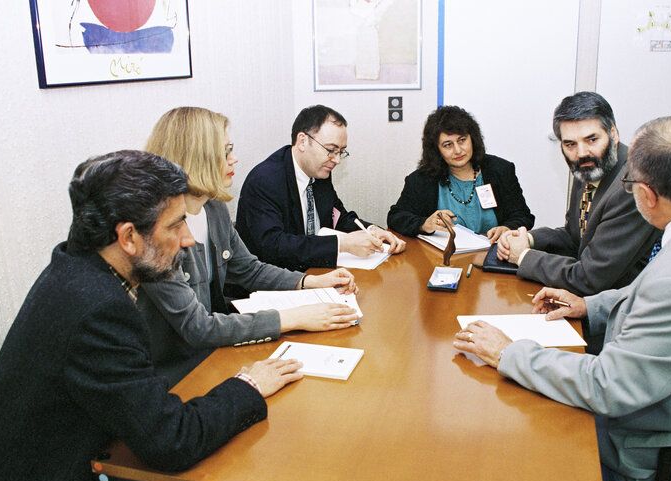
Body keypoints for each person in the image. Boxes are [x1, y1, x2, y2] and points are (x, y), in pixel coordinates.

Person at [0, 151, 304, 481]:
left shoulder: (76, 267)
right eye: (176, 225)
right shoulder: (99, 309)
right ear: (129, 237)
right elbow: (172, 442)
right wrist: (251, 384)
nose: (188, 240)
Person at [455, 115, 671, 481]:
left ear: (647, 196)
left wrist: (507, 353)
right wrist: (590, 305)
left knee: (515, 468)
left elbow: (608, 386)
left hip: (669, 459)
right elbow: (650, 288)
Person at [140, 107, 360, 385]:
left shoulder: (214, 208)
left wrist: (311, 282)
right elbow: (198, 328)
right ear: (195, 157)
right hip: (178, 372)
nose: (235, 159)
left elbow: (249, 270)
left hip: (216, 351)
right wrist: (293, 318)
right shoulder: (156, 230)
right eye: (225, 151)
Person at [497, 92, 659, 295]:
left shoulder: (631, 184)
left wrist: (523, 256)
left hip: (617, 307)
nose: (581, 153)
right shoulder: (590, 168)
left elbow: (589, 278)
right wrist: (527, 238)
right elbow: (575, 236)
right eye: (570, 144)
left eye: (592, 139)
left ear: (614, 134)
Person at [235, 104, 406, 271]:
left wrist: (372, 231)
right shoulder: (265, 181)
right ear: (302, 141)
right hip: (274, 281)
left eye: (341, 152)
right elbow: (274, 245)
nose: (337, 160)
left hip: (315, 271)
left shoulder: (319, 171)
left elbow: (339, 217)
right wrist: (342, 244)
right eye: (331, 150)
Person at [387, 105, 534, 242]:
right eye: (448, 145)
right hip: (442, 258)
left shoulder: (500, 170)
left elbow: (523, 216)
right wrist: (424, 224)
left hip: (493, 252)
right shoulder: (421, 180)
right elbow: (396, 218)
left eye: (462, 140)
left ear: (473, 139)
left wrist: (507, 228)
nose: (458, 150)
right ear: (436, 150)